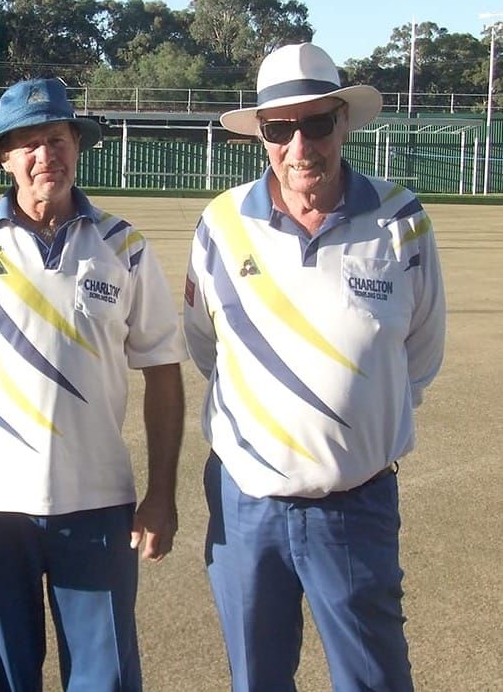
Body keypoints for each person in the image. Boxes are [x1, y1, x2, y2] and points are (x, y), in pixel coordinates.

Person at [182, 43, 446, 691]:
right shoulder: (219, 223)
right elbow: (203, 345)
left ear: (343, 122)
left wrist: (350, 428)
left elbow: (419, 352)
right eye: (280, 128)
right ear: (262, 137)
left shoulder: (401, 222)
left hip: (354, 506)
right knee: (258, 679)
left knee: (373, 680)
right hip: (246, 506)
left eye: (316, 123)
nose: (299, 145)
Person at [0, 78, 186, 691]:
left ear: (77, 147)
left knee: (105, 679)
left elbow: (163, 373)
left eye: (57, 139)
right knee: (4, 678)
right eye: (29, 144)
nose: (46, 157)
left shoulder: (125, 246)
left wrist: (161, 493)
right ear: (5, 158)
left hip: (97, 506)